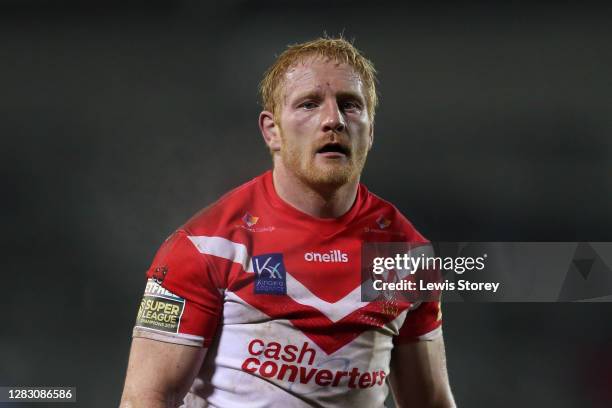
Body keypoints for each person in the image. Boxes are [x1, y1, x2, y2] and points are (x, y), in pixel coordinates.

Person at [120, 37, 455, 408]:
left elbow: (431, 401)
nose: (333, 121)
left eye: (350, 105)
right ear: (271, 131)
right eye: (309, 104)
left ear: (371, 130)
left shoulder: (406, 255)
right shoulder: (206, 247)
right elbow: (144, 399)